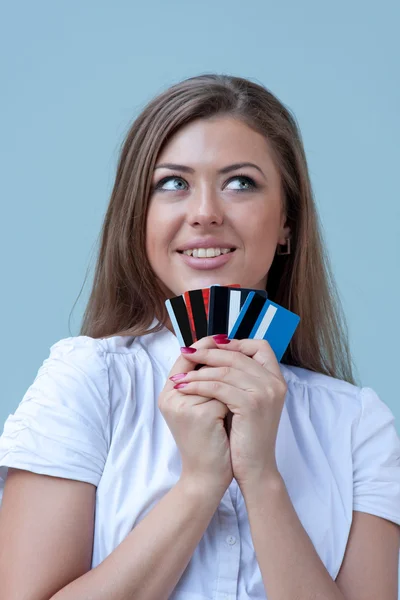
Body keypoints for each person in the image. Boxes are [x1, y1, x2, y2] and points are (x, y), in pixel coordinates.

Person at [0, 73, 399, 600]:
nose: (205, 212)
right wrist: (199, 484)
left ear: (287, 222)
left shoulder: (358, 425)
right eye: (173, 183)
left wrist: (260, 477)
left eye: (240, 183)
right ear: (139, 218)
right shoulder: (85, 381)